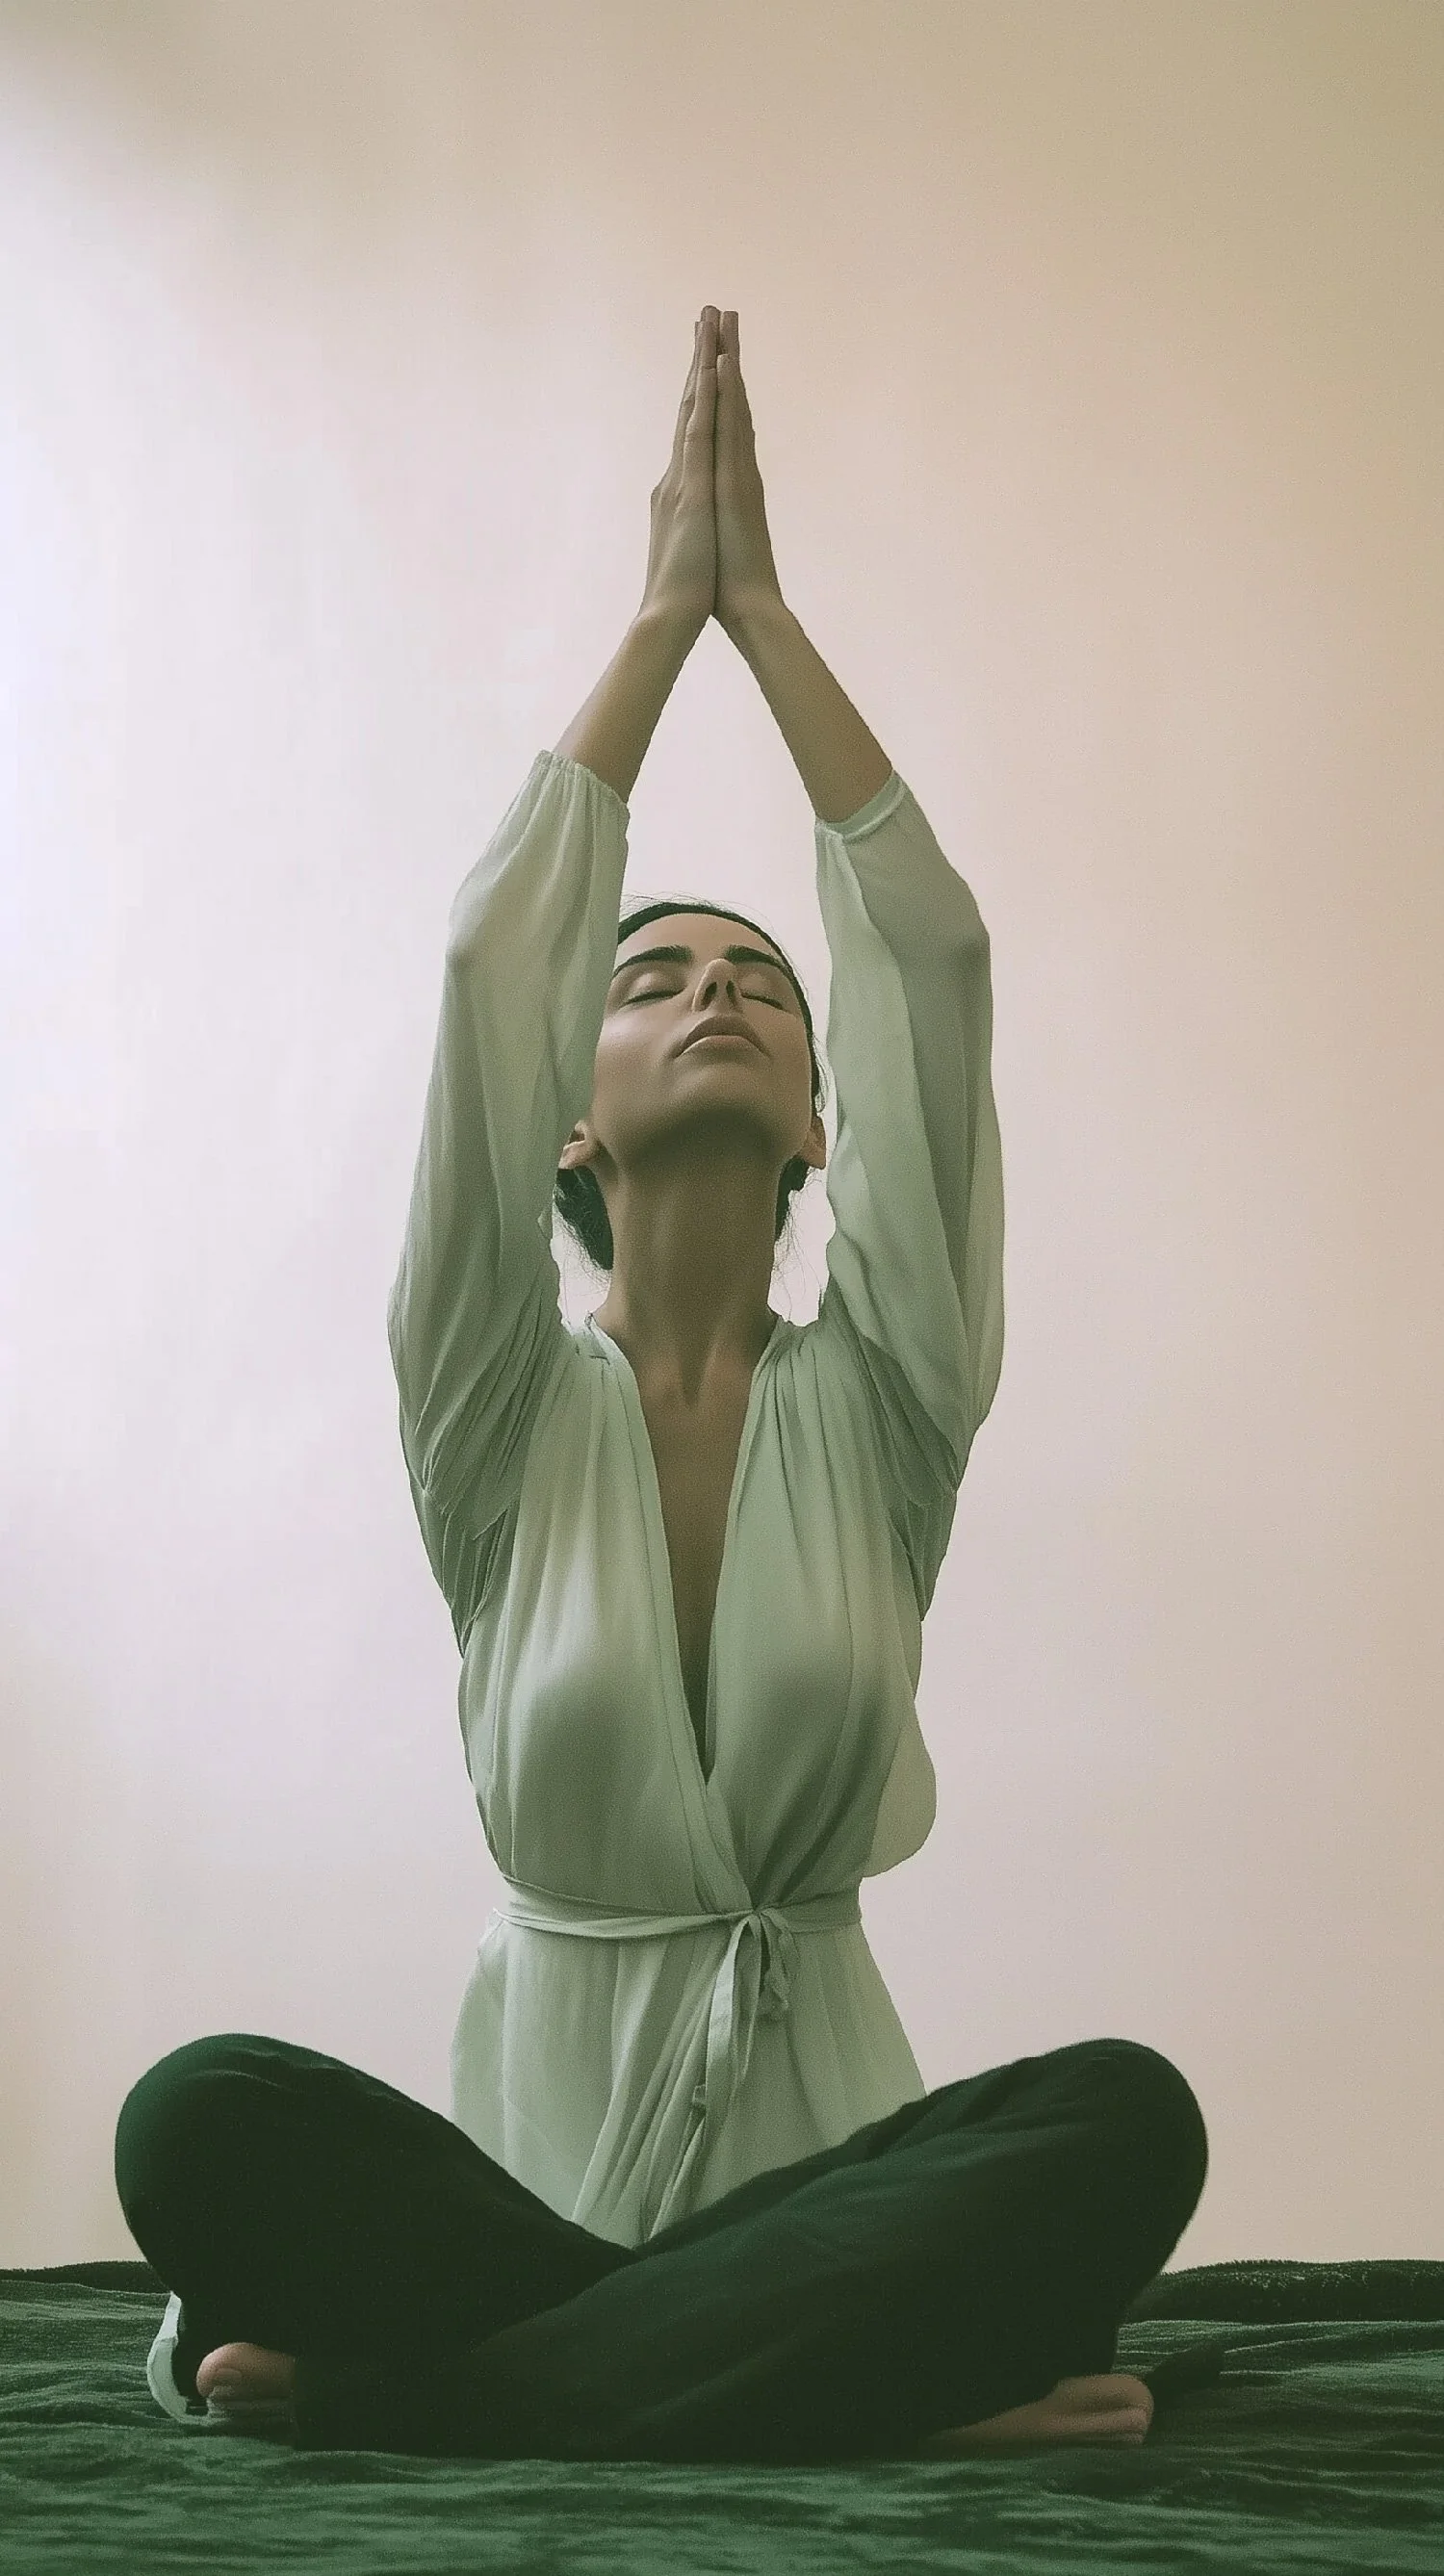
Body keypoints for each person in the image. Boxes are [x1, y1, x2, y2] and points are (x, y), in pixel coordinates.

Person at [118, 303, 1208, 2454]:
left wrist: (770, 625)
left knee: (1125, 2119)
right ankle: (874, 2396)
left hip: (840, 2192)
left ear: (825, 1119)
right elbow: (481, 967)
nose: (715, 994)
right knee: (197, 2119)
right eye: (654, 978)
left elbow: (936, 965)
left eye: (758, 990)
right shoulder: (489, 1409)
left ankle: (454, 2399)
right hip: (526, 2191)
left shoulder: (890, 1402)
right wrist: (656, 625)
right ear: (567, 1123)